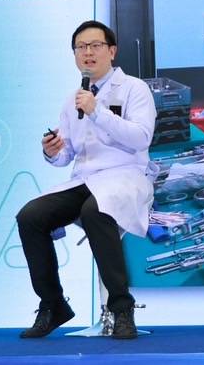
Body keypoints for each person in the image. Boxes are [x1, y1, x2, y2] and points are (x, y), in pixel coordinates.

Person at [16, 21, 155, 340]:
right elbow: (68, 154)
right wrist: (52, 151)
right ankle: (53, 304)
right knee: (30, 216)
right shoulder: (73, 100)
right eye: (81, 47)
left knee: (97, 211)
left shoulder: (134, 89)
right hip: (84, 180)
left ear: (112, 51)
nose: (88, 53)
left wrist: (98, 112)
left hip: (127, 175)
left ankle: (121, 309)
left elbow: (141, 138)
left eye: (95, 46)